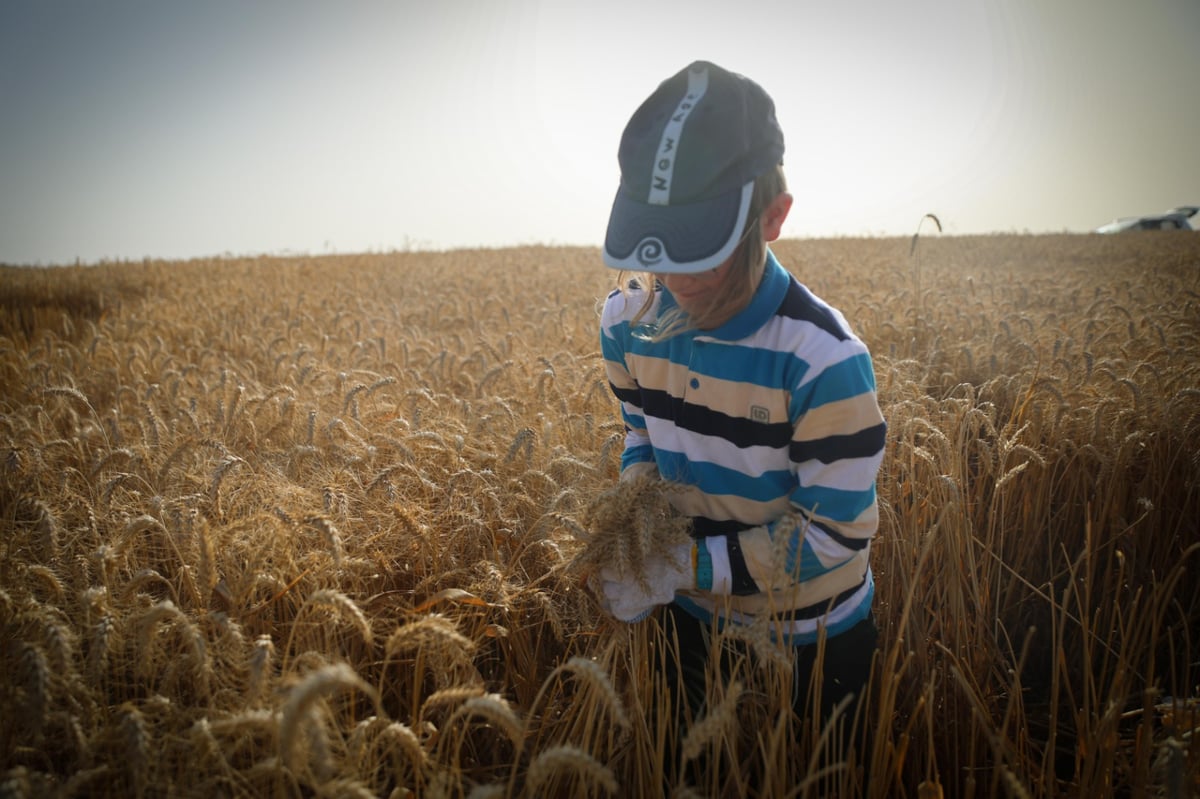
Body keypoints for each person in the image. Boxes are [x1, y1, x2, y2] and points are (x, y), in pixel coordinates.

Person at [594, 60, 887, 786]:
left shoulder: (823, 363)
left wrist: (679, 566)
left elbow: (832, 534)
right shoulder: (626, 325)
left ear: (774, 217)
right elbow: (641, 432)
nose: (677, 280)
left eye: (701, 246)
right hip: (688, 620)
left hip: (815, 637)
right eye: (658, 246)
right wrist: (637, 527)